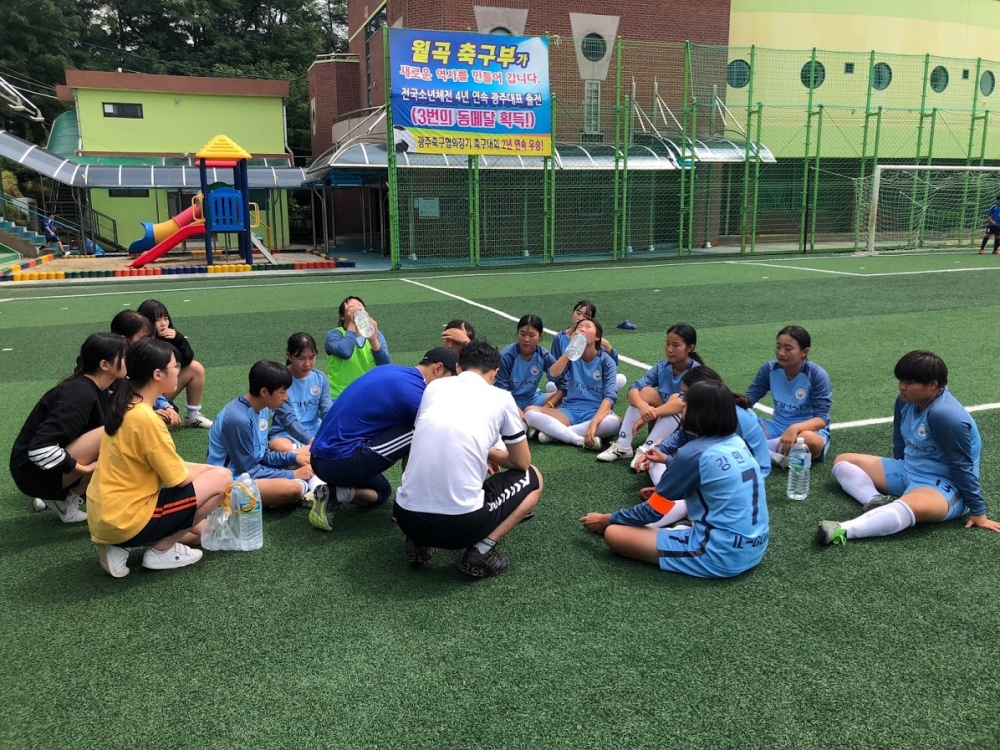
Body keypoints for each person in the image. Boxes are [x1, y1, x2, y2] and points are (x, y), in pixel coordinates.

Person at [580, 380, 769, 579]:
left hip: (721, 554)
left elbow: (653, 511)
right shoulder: (736, 441)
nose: (681, 408)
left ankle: (687, 537)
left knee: (615, 534)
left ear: (697, 412)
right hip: (756, 545)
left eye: (685, 404)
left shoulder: (693, 453)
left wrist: (605, 519)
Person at [394, 340, 544, 578]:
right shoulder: (502, 397)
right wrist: (488, 451)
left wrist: (483, 450)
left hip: (406, 517)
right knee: (533, 477)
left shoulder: (434, 388)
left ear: (460, 368)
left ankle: (418, 542)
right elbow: (521, 462)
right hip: (460, 527)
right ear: (494, 373)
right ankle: (482, 551)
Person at [819, 350, 1000, 545]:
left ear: (933, 384)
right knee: (843, 462)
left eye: (909, 382)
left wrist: (978, 511)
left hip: (945, 485)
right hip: (909, 470)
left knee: (915, 507)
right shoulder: (905, 402)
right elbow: (900, 440)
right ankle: (876, 500)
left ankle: (843, 530)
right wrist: (897, 467)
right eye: (901, 381)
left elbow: (962, 466)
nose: (902, 387)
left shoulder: (945, 416)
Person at [86, 339, 232, 577]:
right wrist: (216, 475)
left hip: (104, 515)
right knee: (223, 478)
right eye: (175, 366)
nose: (178, 370)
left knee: (198, 530)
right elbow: (179, 478)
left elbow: (171, 466)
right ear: (157, 374)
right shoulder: (147, 419)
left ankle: (119, 544)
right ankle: (161, 552)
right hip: (126, 516)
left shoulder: (127, 405)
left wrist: (206, 471)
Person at [307, 347, 459, 531]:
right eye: (451, 380)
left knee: (381, 492)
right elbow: (445, 431)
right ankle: (408, 506)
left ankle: (333, 493)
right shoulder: (414, 392)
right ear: (438, 368)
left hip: (321, 458)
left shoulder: (393, 371)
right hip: (339, 460)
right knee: (421, 430)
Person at [10, 332, 127, 523]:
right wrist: (84, 469)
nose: (128, 360)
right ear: (104, 365)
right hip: (32, 472)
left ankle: (64, 500)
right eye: (124, 356)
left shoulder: (98, 388)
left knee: (116, 435)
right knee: (114, 432)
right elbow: (39, 449)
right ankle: (58, 495)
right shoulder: (80, 394)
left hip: (41, 467)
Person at [637, 366, 770, 513]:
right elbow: (684, 435)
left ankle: (675, 497)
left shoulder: (730, 417)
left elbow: (715, 461)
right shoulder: (712, 410)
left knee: (619, 531)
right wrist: (659, 450)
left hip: (742, 477)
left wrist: (669, 461)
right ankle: (669, 491)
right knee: (659, 446)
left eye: (686, 395)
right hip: (725, 472)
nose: (682, 399)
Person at [207, 361, 321, 507]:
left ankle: (307, 485)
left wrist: (295, 458)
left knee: (306, 458)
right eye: (282, 392)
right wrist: (294, 475)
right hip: (228, 481)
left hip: (251, 471)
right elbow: (249, 470)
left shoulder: (262, 408)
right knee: (290, 489)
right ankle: (308, 489)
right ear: (264, 392)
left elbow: (262, 455)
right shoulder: (238, 419)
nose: (286, 397)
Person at [597, 323, 702, 466]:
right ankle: (623, 445)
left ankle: (648, 450)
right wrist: (642, 406)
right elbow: (634, 389)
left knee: (675, 399)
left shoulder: (697, 372)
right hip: (662, 422)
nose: (669, 349)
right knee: (644, 392)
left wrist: (651, 413)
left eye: (676, 345)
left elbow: (682, 404)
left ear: (690, 348)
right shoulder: (662, 366)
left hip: (685, 430)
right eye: (667, 344)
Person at [523, 319, 621, 451]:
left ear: (597, 336)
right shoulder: (572, 357)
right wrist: (569, 352)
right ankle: (578, 439)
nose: (581, 329)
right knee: (530, 412)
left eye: (587, 327)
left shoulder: (606, 361)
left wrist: (594, 423)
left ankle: (554, 433)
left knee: (614, 422)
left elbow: (609, 396)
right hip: (570, 410)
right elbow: (553, 375)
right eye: (579, 327)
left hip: (595, 411)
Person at [746, 325, 832, 467]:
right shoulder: (769, 369)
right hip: (775, 425)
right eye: (778, 346)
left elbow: (822, 418)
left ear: (804, 352)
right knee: (737, 424)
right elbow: (750, 398)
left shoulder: (816, 374)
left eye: (788, 348)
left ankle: (757, 448)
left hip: (807, 430)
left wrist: (795, 428)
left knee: (808, 441)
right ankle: (773, 454)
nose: (781, 353)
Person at [137, 299, 212, 428]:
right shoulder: (142, 345)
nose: (163, 324)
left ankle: (193, 416)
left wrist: (178, 338)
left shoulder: (168, 338)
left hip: (160, 391)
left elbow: (187, 359)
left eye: (166, 319)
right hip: (143, 395)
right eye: (158, 320)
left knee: (195, 367)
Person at [110, 310, 180, 428]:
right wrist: (147, 415)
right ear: (124, 339)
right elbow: (114, 405)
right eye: (143, 337)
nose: (149, 342)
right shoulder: (115, 367)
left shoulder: (140, 357)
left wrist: (166, 406)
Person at [268, 332, 332, 452]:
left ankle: (303, 457)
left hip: (316, 430)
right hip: (286, 434)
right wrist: (311, 441)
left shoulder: (320, 378)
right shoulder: (280, 380)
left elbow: (327, 409)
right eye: (301, 358)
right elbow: (288, 420)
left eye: (312, 357)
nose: (307, 364)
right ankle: (312, 454)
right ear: (289, 356)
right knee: (278, 446)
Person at [546, 300, 627, 391]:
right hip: (570, 381)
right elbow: (554, 368)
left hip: (593, 379)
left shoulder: (593, 339)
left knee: (620, 378)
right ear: (572, 314)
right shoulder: (560, 338)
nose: (580, 318)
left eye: (586, 316)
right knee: (551, 385)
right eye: (578, 313)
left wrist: (608, 345)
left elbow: (612, 364)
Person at [325, 295, 390, 398]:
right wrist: (352, 323)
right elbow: (345, 352)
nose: (357, 309)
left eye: (360, 306)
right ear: (342, 316)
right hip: (340, 396)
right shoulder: (334, 335)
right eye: (352, 307)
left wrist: (373, 340)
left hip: (369, 394)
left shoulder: (376, 335)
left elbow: (385, 365)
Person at [495, 315, 556, 416]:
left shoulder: (543, 355)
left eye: (532, 335)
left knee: (566, 398)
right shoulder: (507, 356)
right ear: (517, 333)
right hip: (511, 401)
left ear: (540, 336)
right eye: (522, 334)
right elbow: (502, 391)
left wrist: (547, 407)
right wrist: (519, 412)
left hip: (533, 399)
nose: (526, 339)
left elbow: (562, 381)